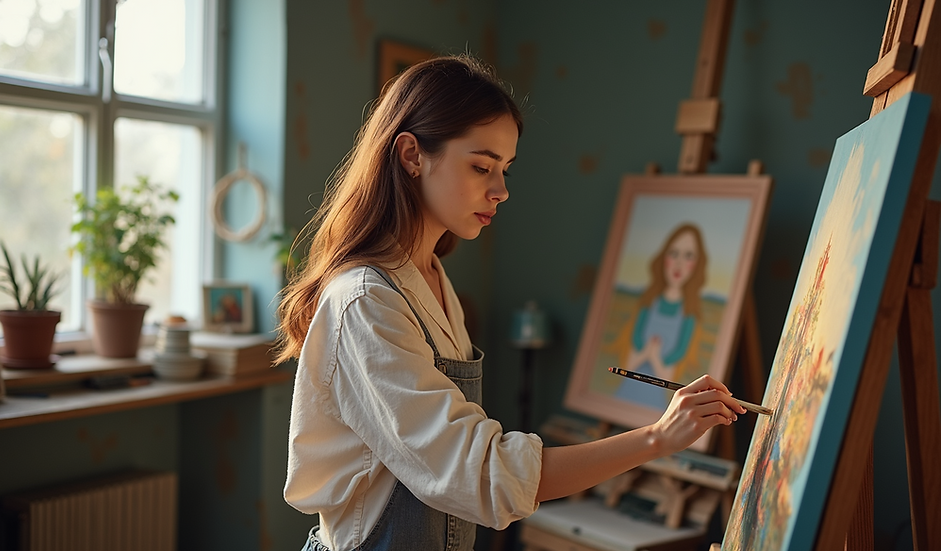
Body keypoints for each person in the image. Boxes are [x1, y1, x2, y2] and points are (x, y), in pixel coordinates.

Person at [275, 55, 746, 551]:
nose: (500, 191)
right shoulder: (367, 301)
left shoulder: (433, 278)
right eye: (481, 166)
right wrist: (656, 438)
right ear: (412, 155)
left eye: (505, 169)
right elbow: (477, 473)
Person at [615, 223, 708, 409]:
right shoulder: (649, 302)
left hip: (656, 397)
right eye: (674, 253)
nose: (679, 263)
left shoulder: (688, 315)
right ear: (663, 256)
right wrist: (645, 352)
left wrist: (655, 357)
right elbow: (631, 356)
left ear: (697, 265)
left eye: (688, 256)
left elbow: (670, 372)